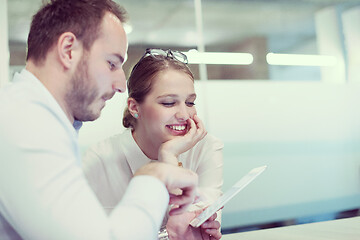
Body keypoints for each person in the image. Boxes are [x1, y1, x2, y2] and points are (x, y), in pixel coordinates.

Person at [0, 1, 203, 239]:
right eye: (112, 63)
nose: (119, 85)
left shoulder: (30, 117)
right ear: (68, 51)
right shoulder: (27, 123)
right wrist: (155, 177)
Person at [82, 48, 224, 240]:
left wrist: (169, 157)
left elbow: (194, 230)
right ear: (134, 107)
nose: (184, 114)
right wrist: (168, 157)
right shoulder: (100, 158)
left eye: (190, 103)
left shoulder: (206, 147)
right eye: (168, 103)